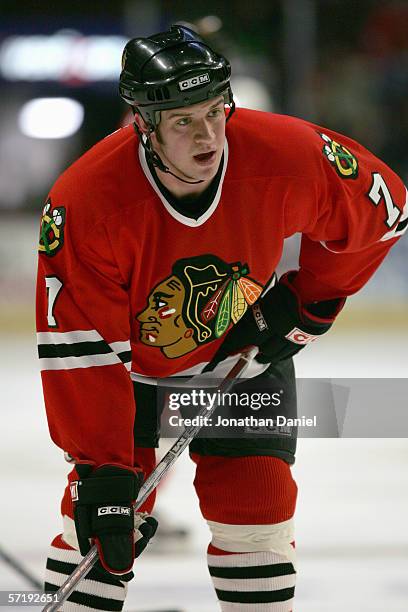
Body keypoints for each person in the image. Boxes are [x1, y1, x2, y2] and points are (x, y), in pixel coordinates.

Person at [36, 25, 407, 611]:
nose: (208, 136)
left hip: (243, 352)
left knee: (256, 522)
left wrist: (309, 302)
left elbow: (384, 209)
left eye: (215, 112)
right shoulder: (89, 201)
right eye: (183, 121)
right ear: (143, 123)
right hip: (130, 375)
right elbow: (81, 348)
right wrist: (102, 469)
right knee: (102, 529)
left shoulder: (283, 154)